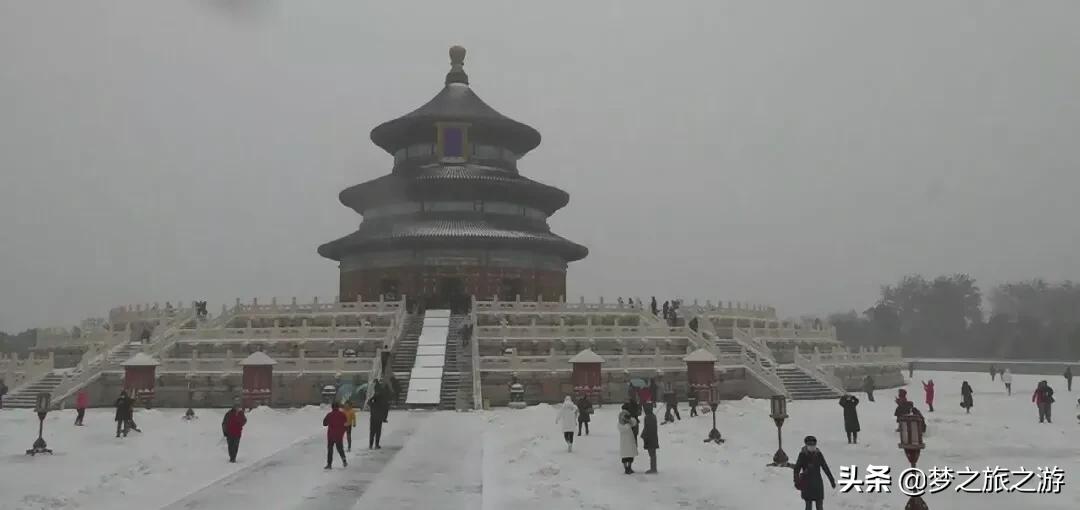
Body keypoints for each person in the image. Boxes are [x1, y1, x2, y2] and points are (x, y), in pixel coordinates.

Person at [793, 435, 836, 510]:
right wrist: (796, 480)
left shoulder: (818, 454)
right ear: (806, 445)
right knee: (808, 506)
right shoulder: (802, 455)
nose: (812, 447)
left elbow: (825, 467)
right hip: (807, 484)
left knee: (819, 506)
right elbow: (797, 469)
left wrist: (831, 480)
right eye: (810, 445)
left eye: (813, 445)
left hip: (817, 483)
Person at [323, 401, 348, 469]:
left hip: (331, 435)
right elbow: (346, 424)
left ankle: (329, 464)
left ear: (332, 407)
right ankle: (344, 460)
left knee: (330, 449)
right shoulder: (342, 414)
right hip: (339, 435)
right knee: (340, 448)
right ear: (338, 407)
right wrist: (344, 430)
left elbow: (324, 423)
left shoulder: (329, 415)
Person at [617, 410, 639, 474]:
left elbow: (634, 422)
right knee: (625, 457)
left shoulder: (629, 422)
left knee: (630, 456)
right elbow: (626, 428)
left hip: (630, 441)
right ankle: (626, 468)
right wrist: (628, 422)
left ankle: (629, 467)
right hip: (624, 442)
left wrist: (629, 419)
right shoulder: (620, 424)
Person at [641, 402, 659, 474]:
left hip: (650, 438)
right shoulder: (652, 416)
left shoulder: (649, 417)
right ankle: (653, 468)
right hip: (652, 437)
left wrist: (644, 435)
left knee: (652, 454)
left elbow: (648, 428)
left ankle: (653, 468)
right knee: (652, 454)